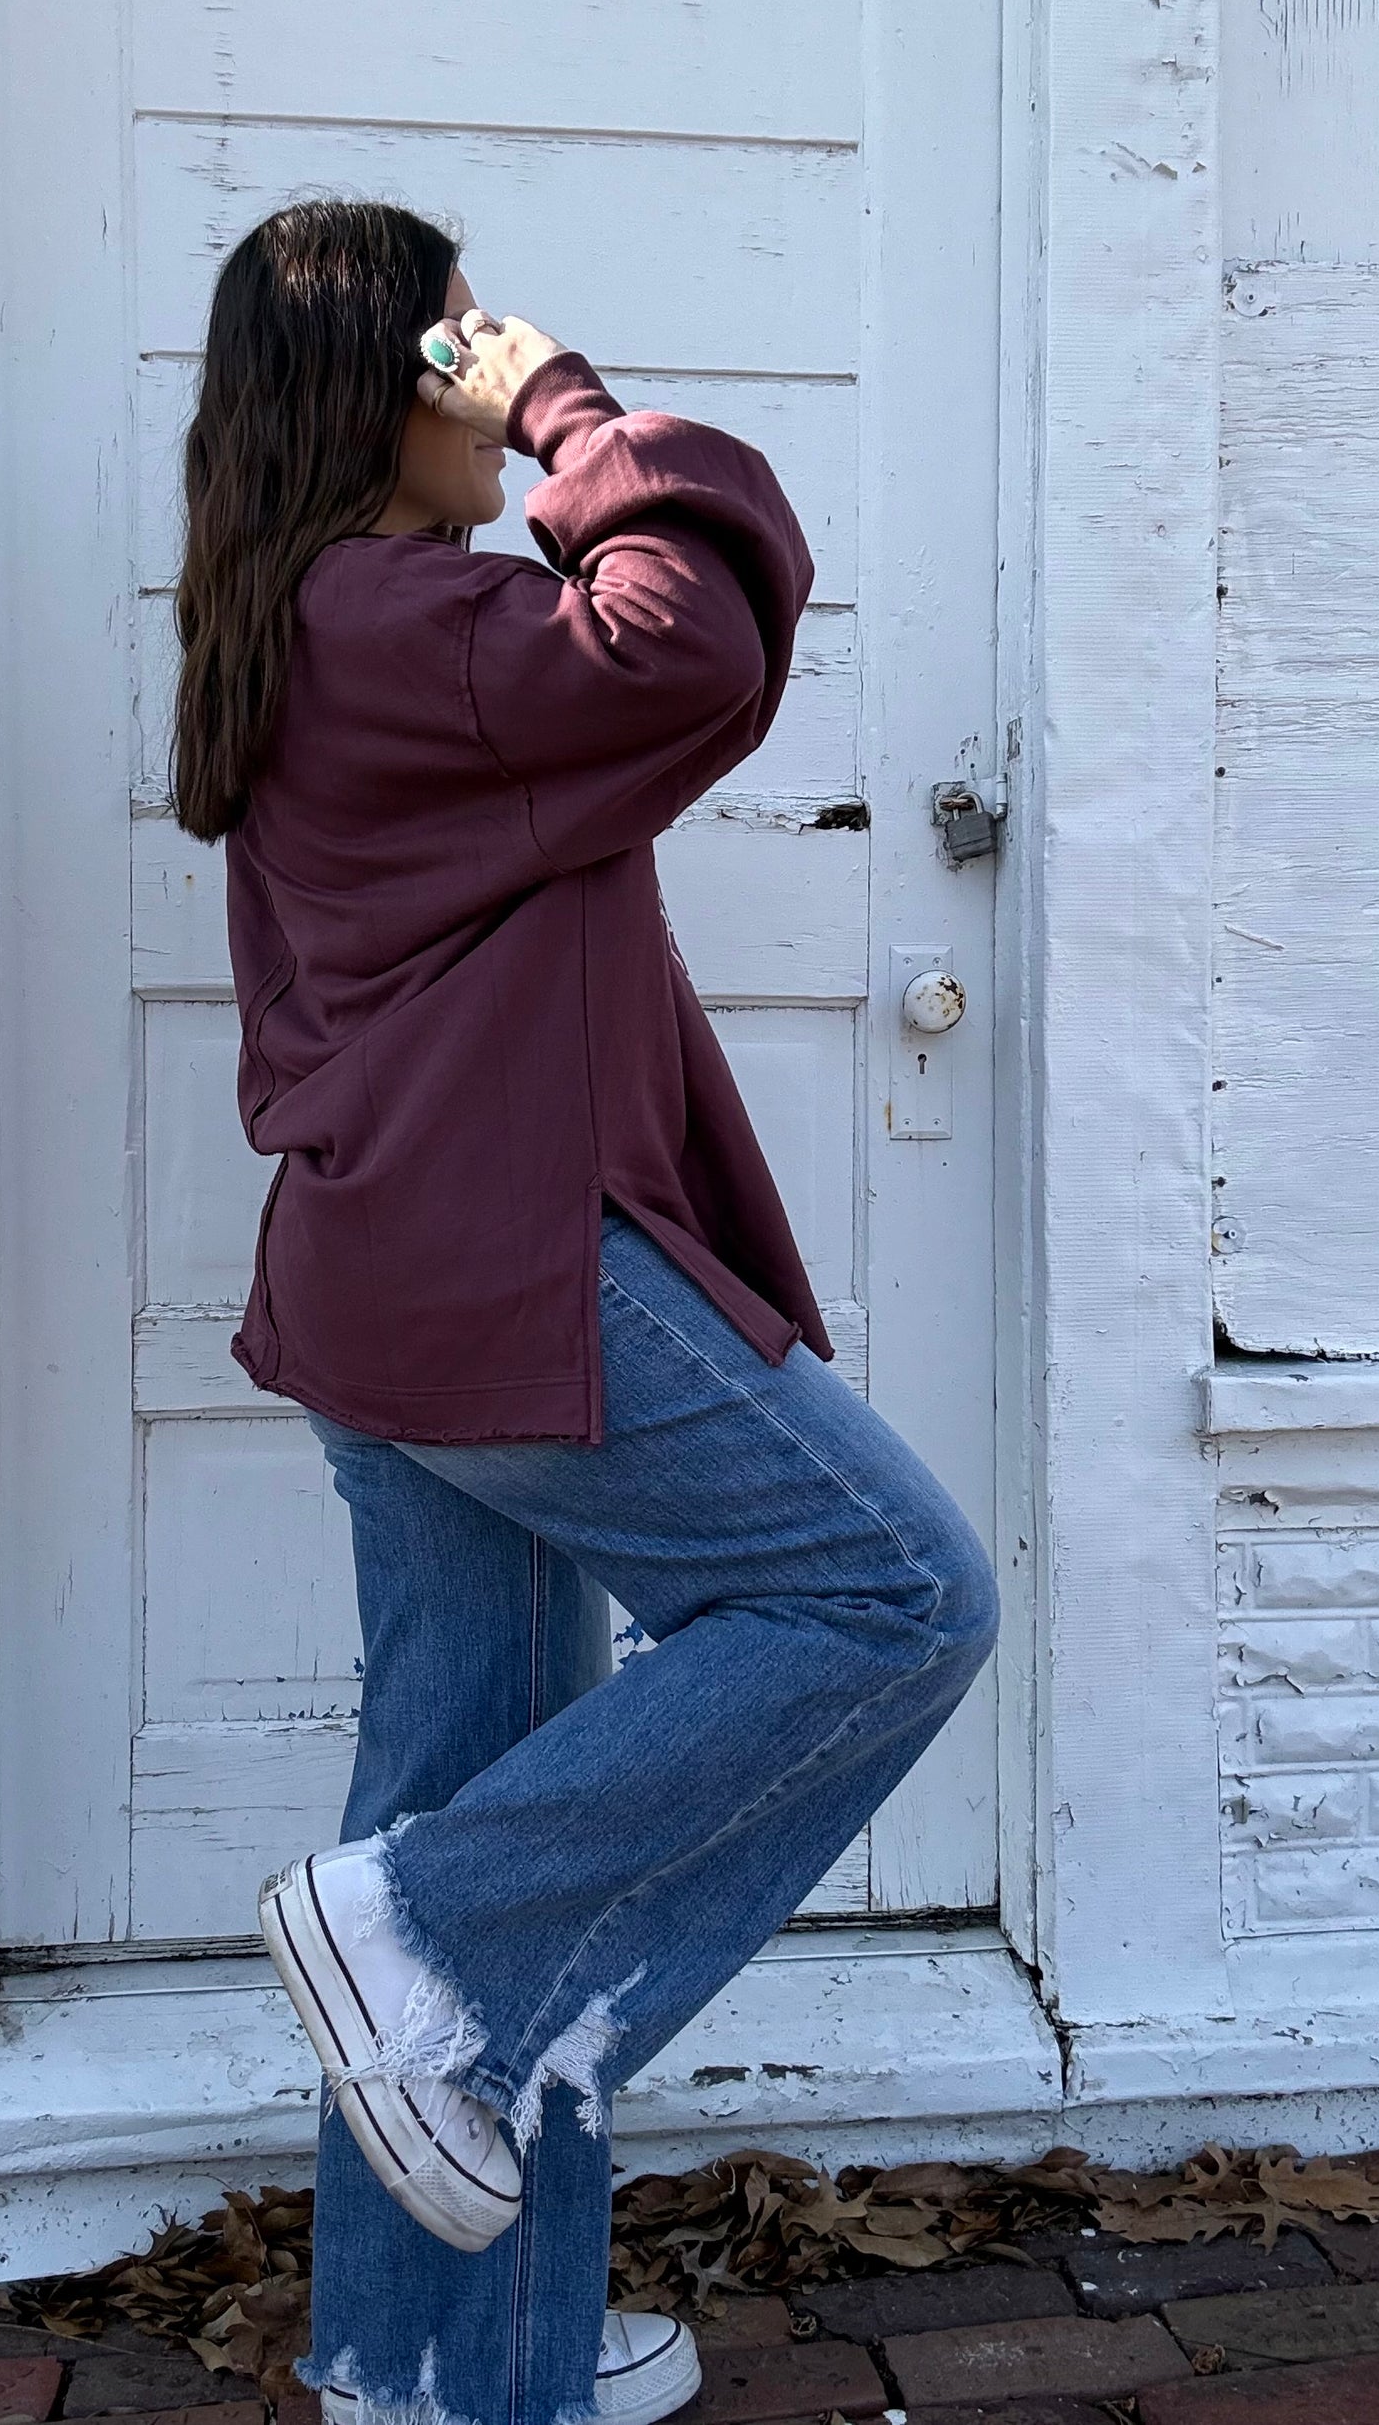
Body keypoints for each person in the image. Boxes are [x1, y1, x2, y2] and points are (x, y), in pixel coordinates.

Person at [169, 199, 1000, 2425]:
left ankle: (449, 2370)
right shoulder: (405, 616)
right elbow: (684, 648)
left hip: (392, 1282)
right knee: (893, 1591)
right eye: (450, 335)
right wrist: (565, 405)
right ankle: (426, 1932)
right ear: (379, 382)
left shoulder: (299, 618)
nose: (489, 362)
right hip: (503, 1269)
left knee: (460, 1775)